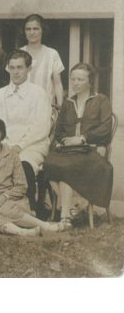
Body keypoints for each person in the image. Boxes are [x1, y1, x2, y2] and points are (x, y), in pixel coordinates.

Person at [0, 117, 66, 235]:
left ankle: (45, 226)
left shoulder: (12, 155)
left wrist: (5, 196)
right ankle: (21, 232)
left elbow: (21, 186)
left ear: (2, 135)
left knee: (8, 209)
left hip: (7, 202)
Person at [44, 63, 113, 226]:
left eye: (80, 79)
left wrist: (83, 138)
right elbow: (59, 129)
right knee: (48, 164)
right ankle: (76, 206)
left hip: (90, 150)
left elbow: (106, 128)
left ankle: (65, 217)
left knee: (66, 169)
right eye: (73, 79)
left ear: (90, 82)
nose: (75, 83)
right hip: (68, 151)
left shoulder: (101, 100)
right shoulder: (68, 103)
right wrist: (62, 141)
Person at [0, 50, 52, 211]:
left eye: (20, 67)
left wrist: (20, 146)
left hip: (32, 145)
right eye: (12, 67)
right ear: (8, 68)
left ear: (29, 69)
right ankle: (1, 208)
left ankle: (30, 209)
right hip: (6, 144)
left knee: (24, 164)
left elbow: (41, 126)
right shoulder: (0, 94)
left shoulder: (38, 93)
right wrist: (6, 144)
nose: (16, 72)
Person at [20, 13, 64, 108]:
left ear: (42, 30)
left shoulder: (52, 54)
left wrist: (60, 107)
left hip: (45, 108)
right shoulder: (18, 53)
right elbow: (12, 82)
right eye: (28, 29)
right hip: (22, 107)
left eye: (35, 29)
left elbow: (58, 84)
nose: (32, 32)